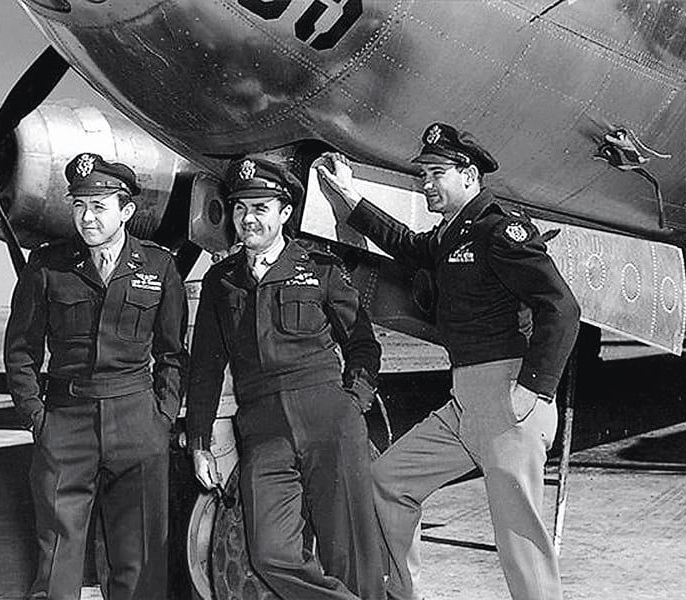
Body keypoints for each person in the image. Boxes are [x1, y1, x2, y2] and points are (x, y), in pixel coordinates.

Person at [315, 123, 581, 600]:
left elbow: (561, 307)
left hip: (509, 403)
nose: (427, 183)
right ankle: (404, 593)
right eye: (424, 174)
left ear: (469, 175)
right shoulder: (452, 236)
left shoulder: (500, 232)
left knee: (520, 541)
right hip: (465, 406)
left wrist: (534, 389)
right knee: (388, 482)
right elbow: (403, 242)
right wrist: (349, 197)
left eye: (437, 173)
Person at [185, 156, 386, 600]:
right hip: (264, 430)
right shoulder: (221, 282)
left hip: (329, 418)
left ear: (285, 212)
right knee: (270, 553)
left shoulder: (320, 268)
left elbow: (363, 343)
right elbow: (205, 369)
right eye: (240, 208)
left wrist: (354, 401)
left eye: (260, 208)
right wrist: (199, 442)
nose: (247, 219)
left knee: (351, 554)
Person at [4, 152, 188, 600]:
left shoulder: (159, 267)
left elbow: (172, 354)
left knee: (140, 560)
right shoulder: (47, 266)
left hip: (137, 423)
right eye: (79, 205)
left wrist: (162, 418)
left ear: (126, 211)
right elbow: (21, 351)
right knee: (56, 559)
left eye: (99, 206)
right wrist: (38, 420)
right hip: (66, 423)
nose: (87, 217)